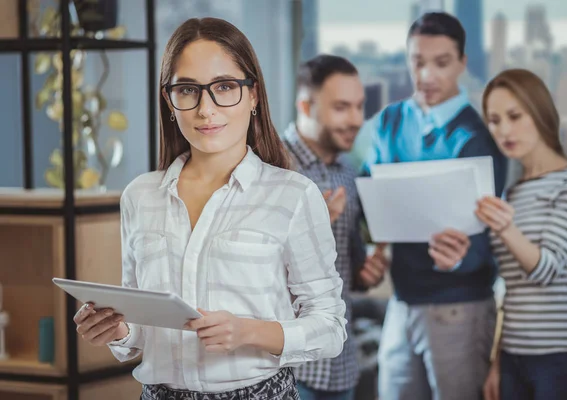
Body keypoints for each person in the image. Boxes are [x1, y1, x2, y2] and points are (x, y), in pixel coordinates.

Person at [71, 17, 348, 400]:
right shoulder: (140, 196)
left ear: (253, 95)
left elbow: (330, 327)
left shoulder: (293, 195)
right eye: (187, 90)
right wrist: (117, 330)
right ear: (169, 101)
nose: (206, 109)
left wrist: (248, 331)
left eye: (224, 87)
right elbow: (139, 328)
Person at [359, 12, 508, 400]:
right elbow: (368, 199)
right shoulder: (390, 121)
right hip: (403, 301)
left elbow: (493, 238)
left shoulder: (478, 138)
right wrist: (372, 250)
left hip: (460, 307)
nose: (426, 75)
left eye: (441, 63)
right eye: (417, 61)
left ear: (462, 63)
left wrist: (459, 258)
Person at [478, 68, 567, 400]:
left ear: (541, 112)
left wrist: (505, 228)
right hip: (514, 359)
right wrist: (497, 363)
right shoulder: (512, 194)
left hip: (566, 359)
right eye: (494, 120)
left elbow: (546, 270)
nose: (504, 129)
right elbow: (514, 290)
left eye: (514, 116)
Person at [283, 54, 389, 400]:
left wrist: (366, 273)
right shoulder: (271, 166)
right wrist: (316, 226)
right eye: (342, 108)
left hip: (341, 364)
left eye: (360, 107)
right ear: (305, 105)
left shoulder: (348, 171)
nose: (356, 119)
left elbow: (350, 266)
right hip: (288, 367)